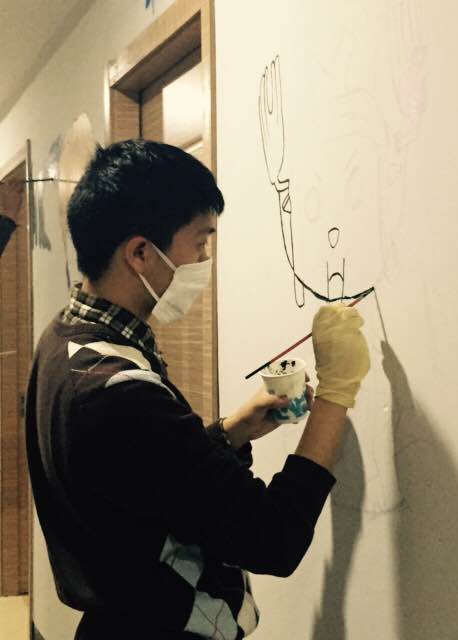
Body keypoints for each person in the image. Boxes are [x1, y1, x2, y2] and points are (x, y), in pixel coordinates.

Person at [25, 139, 370, 640]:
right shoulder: (117, 391)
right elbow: (272, 538)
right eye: (200, 243)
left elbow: (142, 478)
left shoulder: (65, 337)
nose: (205, 259)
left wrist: (230, 433)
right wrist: (336, 393)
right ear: (140, 253)